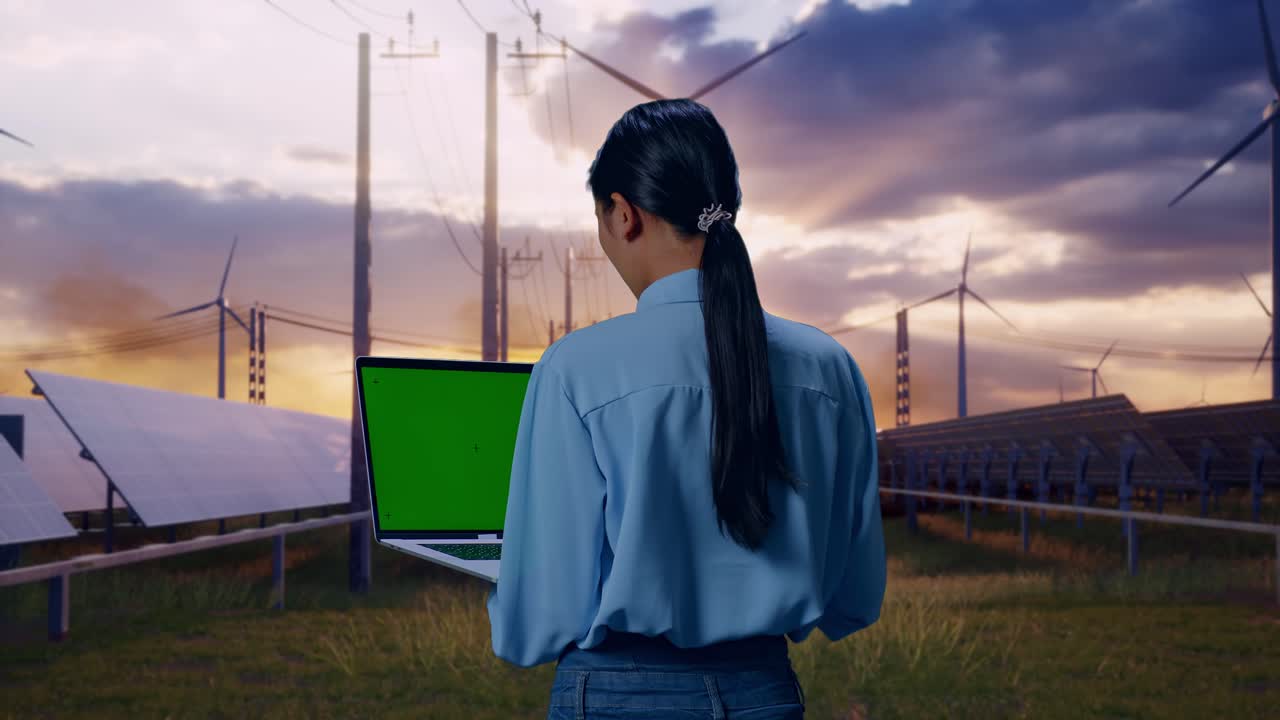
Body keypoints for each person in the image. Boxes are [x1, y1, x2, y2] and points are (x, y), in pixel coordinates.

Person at [486, 98, 886, 720]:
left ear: (624, 215)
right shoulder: (829, 367)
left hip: (616, 697)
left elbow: (534, 625)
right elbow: (853, 599)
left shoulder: (573, 370)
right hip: (764, 693)